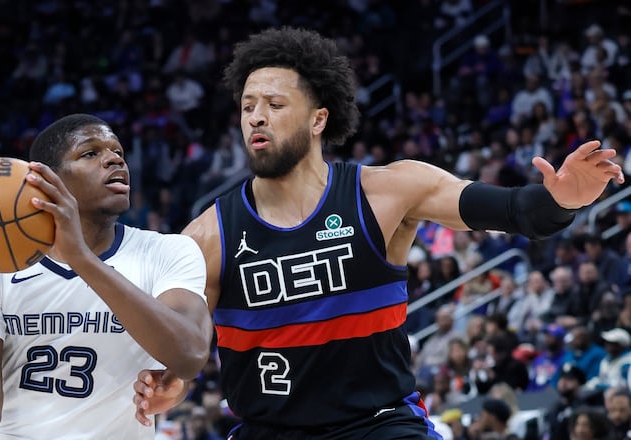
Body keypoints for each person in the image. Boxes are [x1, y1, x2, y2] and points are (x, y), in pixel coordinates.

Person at [133, 27, 624, 439]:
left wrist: (562, 199)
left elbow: (518, 210)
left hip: (380, 425)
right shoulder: (207, 236)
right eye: (247, 106)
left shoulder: (389, 190)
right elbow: (188, 345)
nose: (256, 116)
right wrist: (173, 379)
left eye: (275, 104)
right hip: (269, 430)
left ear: (319, 118)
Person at [0, 113, 212, 438]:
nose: (114, 160)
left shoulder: (168, 251)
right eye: (90, 153)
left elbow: (190, 356)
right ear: (46, 180)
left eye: (118, 152)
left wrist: (80, 258)